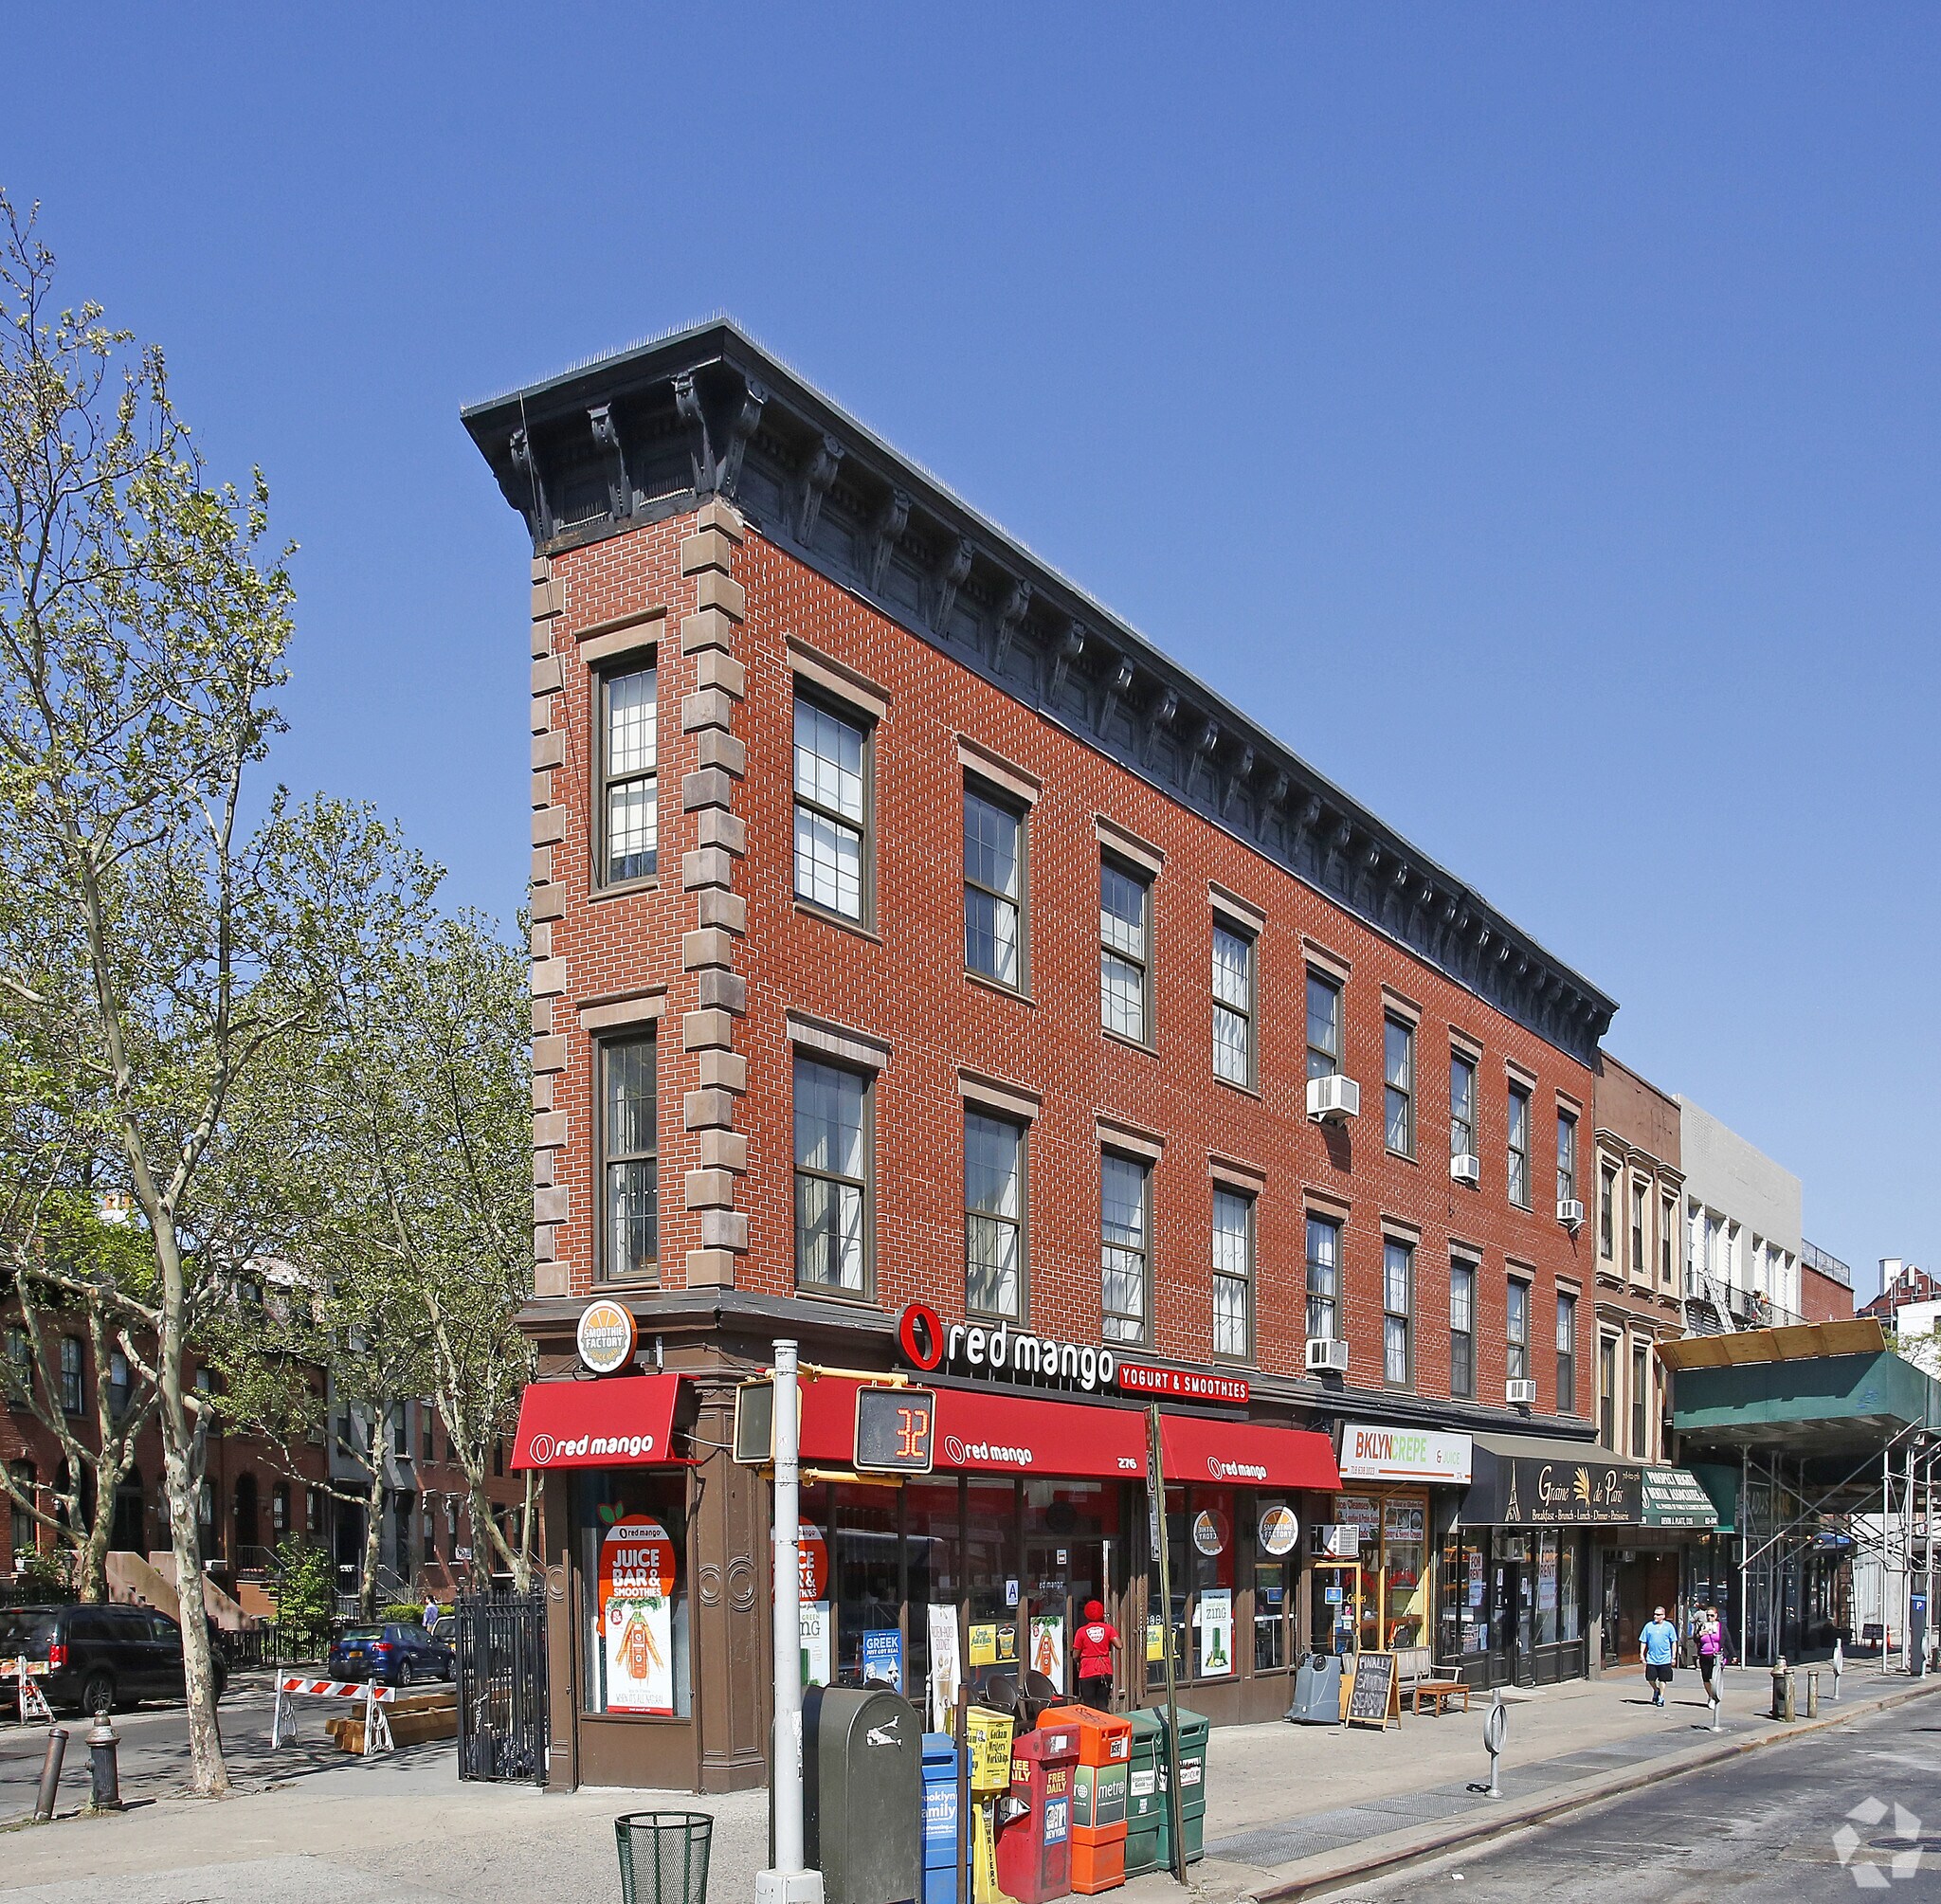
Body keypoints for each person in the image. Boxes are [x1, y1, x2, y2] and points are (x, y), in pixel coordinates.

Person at [1074, 1598, 1120, 1710]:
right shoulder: (1108, 1629)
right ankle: (1106, 1725)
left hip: (1087, 1671)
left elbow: (1076, 1654)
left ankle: (1093, 1726)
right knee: (1102, 1704)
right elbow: (1119, 1645)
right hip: (1105, 1670)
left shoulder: (1081, 1631)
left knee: (1089, 1706)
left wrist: (1078, 1661)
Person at [1640, 1604, 1679, 1706]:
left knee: (1663, 1679)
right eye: (1655, 1614)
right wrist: (1641, 1654)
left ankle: (1661, 1697)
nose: (1656, 1616)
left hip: (1665, 1658)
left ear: (1663, 1616)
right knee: (1650, 1678)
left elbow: (1673, 1642)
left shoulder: (1669, 1627)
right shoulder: (1649, 1626)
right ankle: (1656, 1690)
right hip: (1652, 1658)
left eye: (1658, 1615)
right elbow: (1643, 1641)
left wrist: (1673, 1657)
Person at [1696, 1606, 1725, 1697]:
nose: (1709, 1618)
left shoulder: (1720, 1626)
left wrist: (1733, 1655)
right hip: (1704, 1655)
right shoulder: (1703, 1625)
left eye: (1712, 1615)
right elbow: (1695, 1639)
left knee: (1714, 1677)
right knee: (1706, 1677)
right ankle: (1711, 1696)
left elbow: (1727, 1640)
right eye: (1708, 1615)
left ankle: (1715, 1694)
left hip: (1715, 1654)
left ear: (1716, 1615)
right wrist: (1700, 1634)